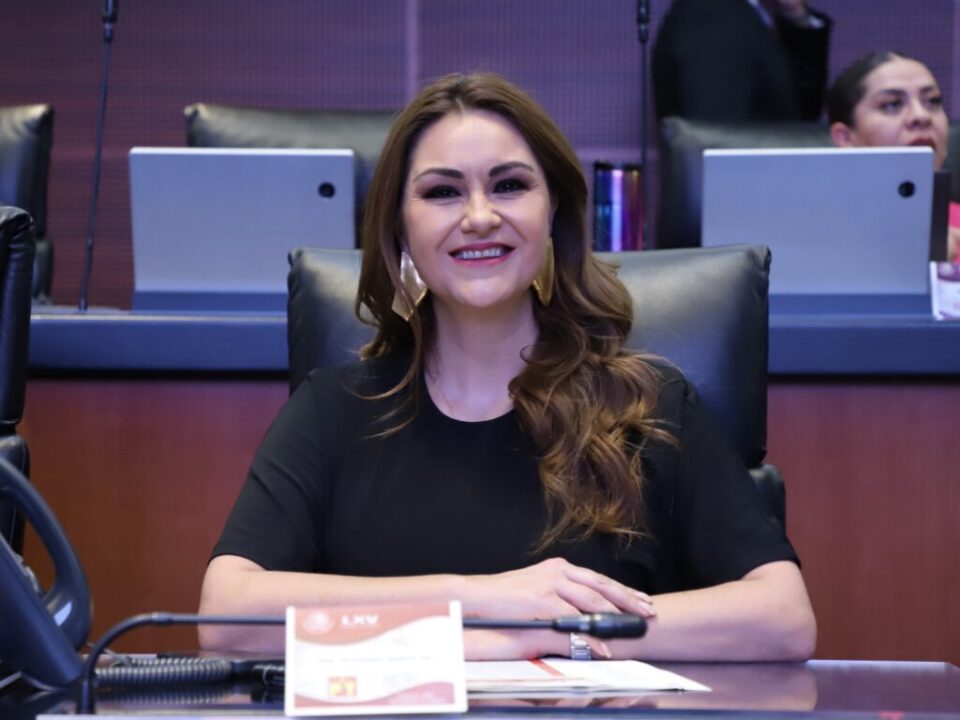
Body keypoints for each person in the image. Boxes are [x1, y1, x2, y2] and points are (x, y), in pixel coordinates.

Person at [199, 72, 816, 662]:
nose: (479, 216)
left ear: (553, 212)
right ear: (399, 228)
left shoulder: (649, 406)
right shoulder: (333, 410)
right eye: (442, 192)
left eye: (509, 185)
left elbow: (782, 617)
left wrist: (558, 633)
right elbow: (227, 616)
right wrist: (476, 602)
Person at [828, 52, 958, 263]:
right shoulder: (814, 234)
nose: (921, 116)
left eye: (932, 101)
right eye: (892, 104)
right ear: (845, 138)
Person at [653, 0, 832, 124]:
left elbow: (799, 115)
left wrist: (795, 14)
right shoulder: (712, 20)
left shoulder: (736, 14)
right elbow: (719, 146)